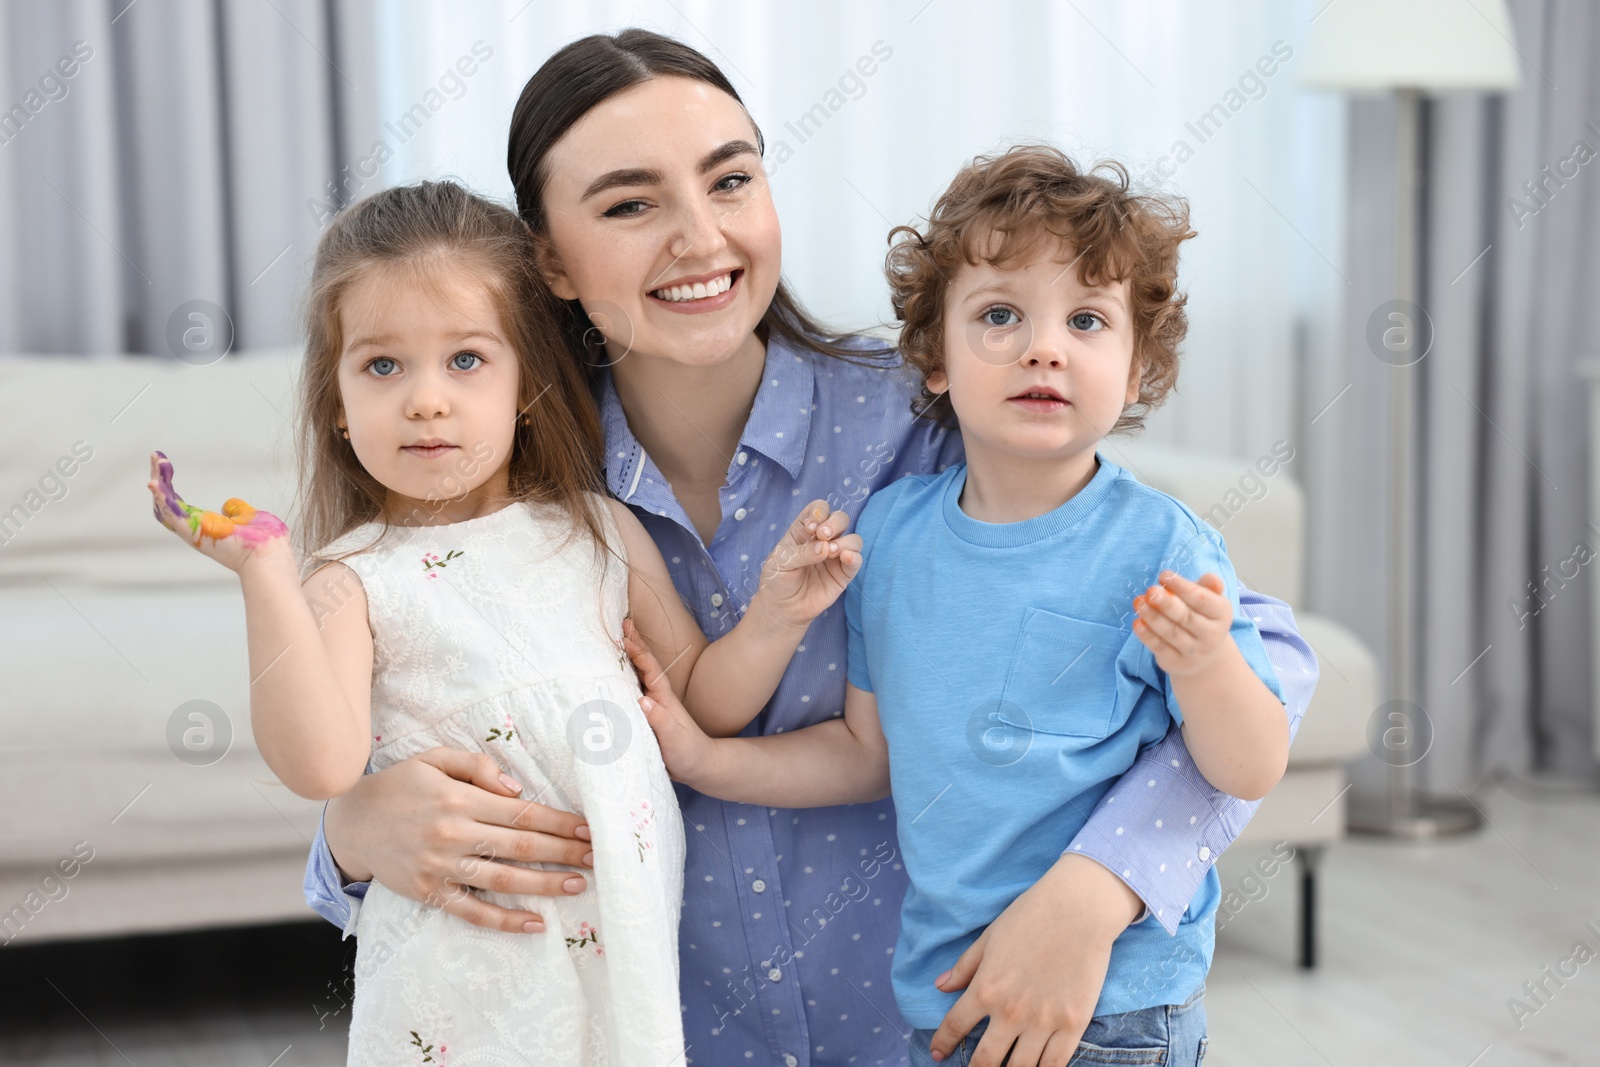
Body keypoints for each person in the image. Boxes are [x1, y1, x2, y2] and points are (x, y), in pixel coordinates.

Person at [304, 29, 1320, 1067]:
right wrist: (350, 836)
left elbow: (1265, 668)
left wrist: (1094, 889)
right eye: (630, 203)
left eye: (730, 180)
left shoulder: (935, 414)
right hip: (671, 1034)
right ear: (550, 261)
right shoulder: (506, 488)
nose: (701, 237)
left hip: (951, 1022)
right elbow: (410, 707)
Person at [147, 179, 859, 1065]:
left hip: (624, 948)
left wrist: (780, 613)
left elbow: (706, 699)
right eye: (381, 366)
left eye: (466, 360)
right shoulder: (354, 578)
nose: (426, 400)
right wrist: (265, 575)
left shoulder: (598, 529)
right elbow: (320, 762)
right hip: (462, 960)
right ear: (335, 402)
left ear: (526, 379)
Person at [626, 144, 1287, 1067]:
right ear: (934, 362)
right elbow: (865, 754)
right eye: (1000, 315)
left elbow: (1248, 764)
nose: (1043, 346)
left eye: (1088, 320)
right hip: (940, 1002)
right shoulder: (890, 536)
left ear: (1137, 372)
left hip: (1111, 1010)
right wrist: (705, 758)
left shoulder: (1161, 547)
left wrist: (1210, 667)